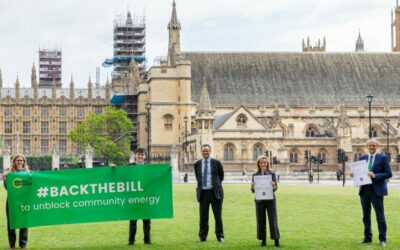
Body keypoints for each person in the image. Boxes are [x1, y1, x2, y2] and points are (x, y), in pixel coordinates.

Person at [350, 139, 392, 247]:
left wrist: (375, 176)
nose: (372, 147)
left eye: (374, 145)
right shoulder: (362, 158)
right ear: (367, 146)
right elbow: (359, 174)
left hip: (377, 190)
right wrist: (353, 174)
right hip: (364, 190)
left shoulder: (383, 158)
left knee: (380, 216)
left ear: (377, 146)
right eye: (370, 145)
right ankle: (367, 237)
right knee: (366, 216)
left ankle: (382, 239)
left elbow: (388, 174)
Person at [194, 144, 224, 243]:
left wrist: (215, 185)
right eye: (203, 151)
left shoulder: (216, 162)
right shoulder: (197, 164)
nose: (205, 152)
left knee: (218, 217)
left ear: (210, 151)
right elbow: (198, 177)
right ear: (201, 152)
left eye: (207, 151)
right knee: (203, 217)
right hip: (203, 193)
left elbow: (221, 176)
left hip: (215, 193)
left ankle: (220, 236)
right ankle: (202, 237)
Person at [251, 155, 280, 247]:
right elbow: (253, 191)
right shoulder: (255, 175)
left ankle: (276, 241)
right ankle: (263, 241)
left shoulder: (272, 174)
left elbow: (275, 188)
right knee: (260, 221)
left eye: (265, 162)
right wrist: (252, 186)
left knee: (273, 220)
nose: (263, 164)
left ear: (267, 163)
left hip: (270, 200)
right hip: (259, 200)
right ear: (258, 164)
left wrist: (274, 185)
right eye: (261, 162)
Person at [2, 154, 29, 250]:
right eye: (18, 160)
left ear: (24, 162)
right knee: (11, 223)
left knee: (24, 223)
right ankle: (12, 245)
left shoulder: (27, 174)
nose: (20, 162)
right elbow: (7, 188)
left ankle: (23, 245)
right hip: (12, 201)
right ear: (14, 162)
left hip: (24, 201)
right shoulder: (10, 174)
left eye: (21, 160)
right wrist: (5, 178)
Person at [128, 148, 151, 245]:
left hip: (145, 197)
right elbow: (120, 175)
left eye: (142, 154)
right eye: (138, 154)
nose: (140, 156)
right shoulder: (129, 167)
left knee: (147, 221)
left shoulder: (149, 168)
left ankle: (147, 240)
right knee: (133, 220)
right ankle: (131, 241)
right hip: (133, 197)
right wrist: (114, 168)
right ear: (135, 156)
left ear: (145, 156)